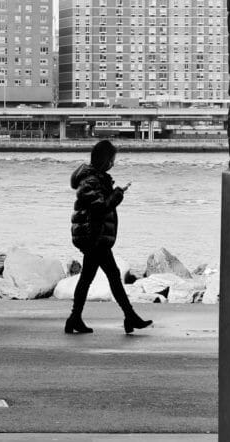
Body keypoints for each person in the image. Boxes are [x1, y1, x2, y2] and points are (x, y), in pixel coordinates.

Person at [65, 139, 154, 335]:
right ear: (104, 160)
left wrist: (114, 193)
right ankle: (129, 317)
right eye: (112, 160)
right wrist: (116, 196)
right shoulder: (90, 182)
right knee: (111, 277)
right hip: (94, 237)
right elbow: (100, 207)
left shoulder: (96, 179)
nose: (113, 163)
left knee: (89, 278)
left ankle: (75, 318)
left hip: (95, 237)